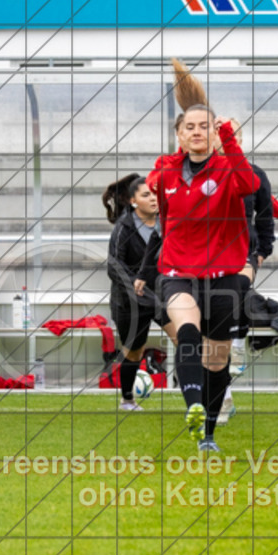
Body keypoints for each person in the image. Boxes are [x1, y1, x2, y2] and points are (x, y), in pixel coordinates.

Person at [150, 59, 258, 453]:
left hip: (225, 275)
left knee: (218, 360)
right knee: (187, 334)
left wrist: (228, 140)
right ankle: (193, 406)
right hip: (178, 271)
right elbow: (159, 212)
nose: (196, 132)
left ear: (216, 133)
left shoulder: (231, 169)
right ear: (178, 135)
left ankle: (208, 430)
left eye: (204, 127)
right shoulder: (163, 172)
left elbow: (250, 183)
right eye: (188, 127)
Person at [103, 173, 177, 411]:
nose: (154, 198)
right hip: (129, 302)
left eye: (157, 193)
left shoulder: (168, 222)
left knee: (185, 340)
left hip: (161, 297)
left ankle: (199, 400)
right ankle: (127, 400)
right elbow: (114, 267)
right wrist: (137, 284)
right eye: (147, 195)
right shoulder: (124, 228)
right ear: (134, 201)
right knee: (134, 352)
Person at [219, 117, 275, 426]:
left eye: (232, 136)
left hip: (243, 254)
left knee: (235, 293)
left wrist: (262, 251)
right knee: (208, 330)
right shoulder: (198, 175)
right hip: (205, 257)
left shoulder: (254, 175)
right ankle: (222, 395)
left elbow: (265, 216)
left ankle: (238, 343)